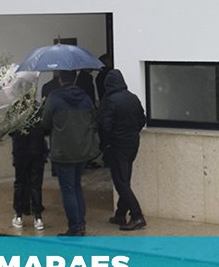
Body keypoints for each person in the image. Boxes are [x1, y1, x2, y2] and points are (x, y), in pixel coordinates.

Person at [41, 69, 99, 236]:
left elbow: (45, 122)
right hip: (82, 150)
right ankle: (81, 224)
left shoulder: (54, 98)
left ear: (60, 80)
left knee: (68, 189)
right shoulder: (86, 98)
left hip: (62, 151)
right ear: (75, 79)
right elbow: (93, 120)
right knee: (77, 186)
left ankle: (75, 227)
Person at [97, 69, 147, 231]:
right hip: (132, 143)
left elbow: (104, 126)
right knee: (125, 180)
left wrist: (105, 144)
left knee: (121, 182)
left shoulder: (110, 100)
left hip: (117, 146)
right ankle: (120, 214)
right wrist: (131, 133)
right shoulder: (132, 98)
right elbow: (141, 119)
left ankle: (137, 215)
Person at [10, 109, 47, 231]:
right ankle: (38, 217)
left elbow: (9, 130)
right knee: (35, 185)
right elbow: (46, 128)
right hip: (37, 151)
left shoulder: (15, 109)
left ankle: (19, 215)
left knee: (19, 183)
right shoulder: (39, 109)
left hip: (20, 152)